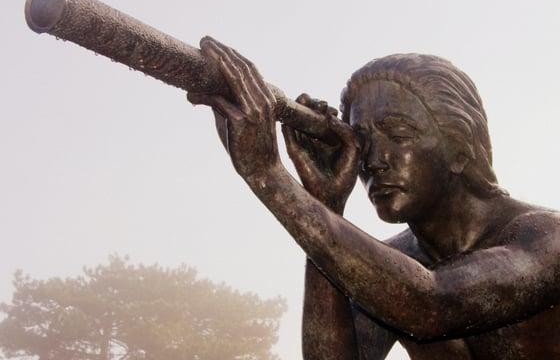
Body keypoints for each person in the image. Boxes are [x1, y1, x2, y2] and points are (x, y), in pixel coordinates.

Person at [188, 36, 560, 360]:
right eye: (362, 141)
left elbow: (430, 304)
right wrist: (325, 204)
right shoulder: (393, 266)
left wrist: (267, 175)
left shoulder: (545, 239)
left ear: (460, 149)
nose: (374, 160)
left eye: (398, 134)